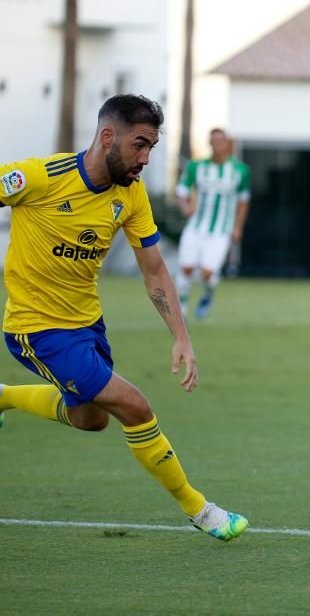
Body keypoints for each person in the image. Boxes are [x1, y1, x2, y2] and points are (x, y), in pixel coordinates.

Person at [0, 95, 248, 540]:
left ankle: (3, 397)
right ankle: (200, 510)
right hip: (37, 329)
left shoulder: (130, 195)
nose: (146, 158)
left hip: (87, 325)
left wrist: (181, 337)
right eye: (140, 145)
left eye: (151, 147)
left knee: (90, 420)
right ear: (108, 136)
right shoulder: (39, 176)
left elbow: (154, 268)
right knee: (135, 407)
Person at [174, 128, 251, 319]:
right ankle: (182, 307)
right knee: (186, 268)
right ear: (210, 143)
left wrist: (238, 227)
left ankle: (208, 293)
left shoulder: (240, 170)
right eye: (214, 141)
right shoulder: (196, 167)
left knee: (207, 273)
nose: (217, 144)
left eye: (221, 141)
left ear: (227, 144)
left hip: (220, 231)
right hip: (196, 227)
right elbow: (182, 190)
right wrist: (185, 207)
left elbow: (243, 201)